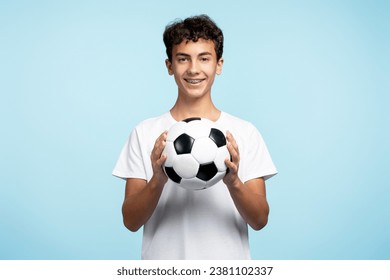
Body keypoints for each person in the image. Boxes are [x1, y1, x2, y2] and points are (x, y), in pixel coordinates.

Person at [112, 15, 277, 259]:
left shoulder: (244, 133)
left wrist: (233, 182)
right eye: (182, 59)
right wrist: (158, 179)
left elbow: (260, 219)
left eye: (204, 58)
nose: (193, 69)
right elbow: (131, 221)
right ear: (169, 66)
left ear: (218, 65)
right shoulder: (145, 132)